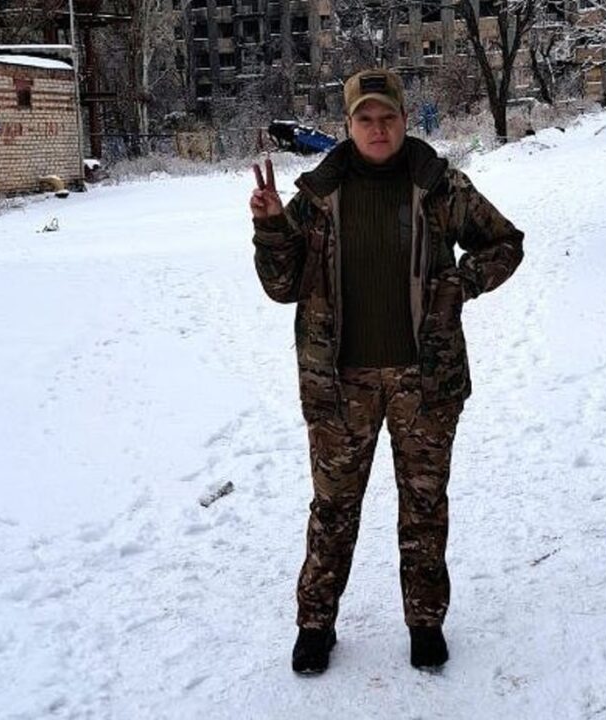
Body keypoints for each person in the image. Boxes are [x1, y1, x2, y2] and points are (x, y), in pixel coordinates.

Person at [249, 68, 524, 675]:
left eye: (388, 117)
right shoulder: (318, 196)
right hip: (339, 382)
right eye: (365, 119)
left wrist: (461, 284)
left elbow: (505, 243)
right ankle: (315, 625)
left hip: (424, 380)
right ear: (347, 126)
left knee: (423, 504)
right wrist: (270, 227)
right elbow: (283, 286)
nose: (378, 129)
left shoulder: (440, 186)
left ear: (403, 120)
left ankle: (425, 622)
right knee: (333, 509)